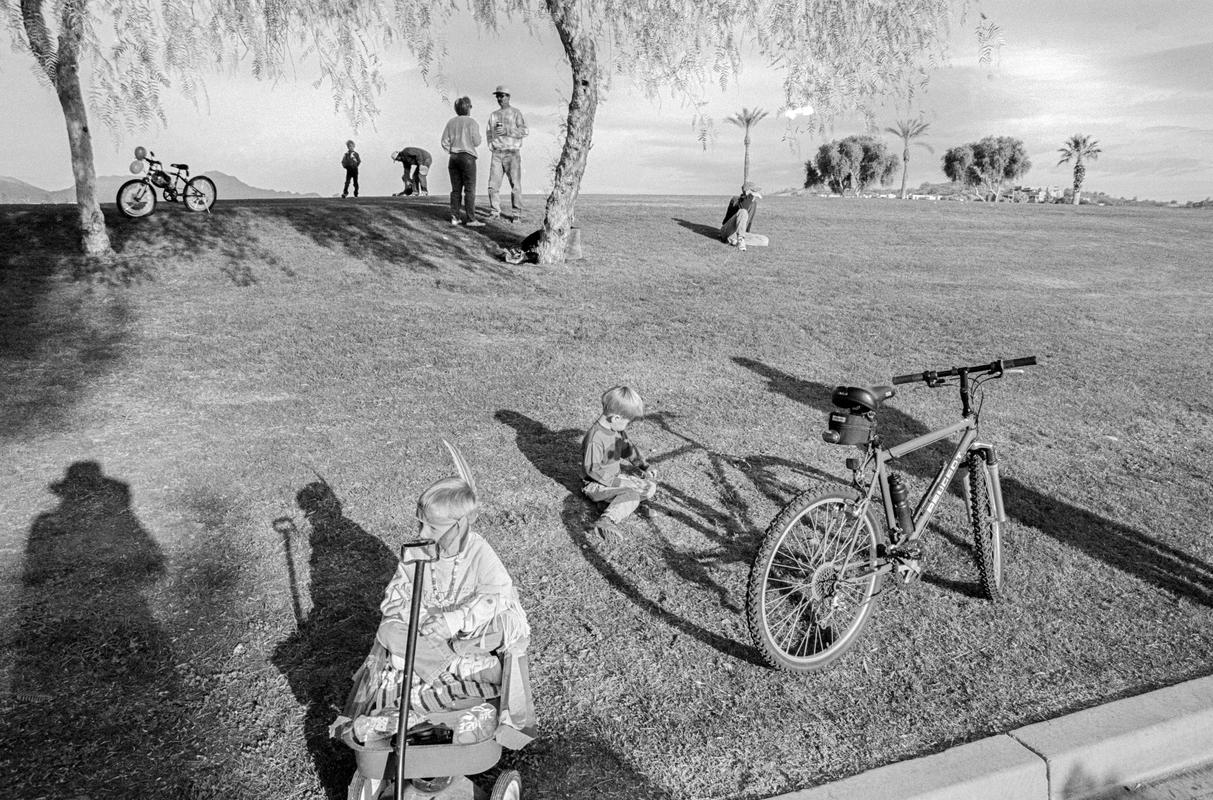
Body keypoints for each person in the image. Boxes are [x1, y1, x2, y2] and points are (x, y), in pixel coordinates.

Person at [331, 442, 535, 799]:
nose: (422, 533)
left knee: (502, 629)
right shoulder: (419, 550)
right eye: (420, 523)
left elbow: (495, 597)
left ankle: (449, 662)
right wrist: (417, 615)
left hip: (469, 632)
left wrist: (455, 621)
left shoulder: (479, 551)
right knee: (388, 629)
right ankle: (448, 666)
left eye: (431, 526)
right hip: (433, 634)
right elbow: (396, 593)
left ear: (457, 526)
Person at [581, 386, 659, 544]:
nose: (628, 426)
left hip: (614, 480)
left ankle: (611, 504)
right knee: (632, 494)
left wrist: (644, 466)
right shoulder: (595, 438)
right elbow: (592, 469)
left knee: (649, 487)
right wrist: (619, 482)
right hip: (595, 485)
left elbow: (629, 450)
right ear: (616, 418)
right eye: (628, 422)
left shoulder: (617, 431)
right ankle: (607, 519)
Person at [486, 85, 529, 220]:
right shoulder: (493, 115)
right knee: (493, 185)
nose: (499, 98)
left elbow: (525, 131)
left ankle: (516, 214)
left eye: (502, 95)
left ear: (508, 97)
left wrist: (508, 131)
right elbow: (488, 132)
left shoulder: (516, 113)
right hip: (497, 153)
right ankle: (494, 212)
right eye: (498, 96)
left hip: (512, 152)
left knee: (515, 185)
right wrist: (491, 145)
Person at [440, 97, 485, 227]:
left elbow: (444, 141)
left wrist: (451, 151)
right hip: (468, 156)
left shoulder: (451, 122)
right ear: (468, 107)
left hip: (453, 157)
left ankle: (455, 217)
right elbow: (476, 142)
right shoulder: (472, 123)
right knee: (469, 189)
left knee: (456, 190)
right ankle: (471, 219)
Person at [721, 182, 766, 250]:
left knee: (765, 241)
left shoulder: (753, 203)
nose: (756, 194)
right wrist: (750, 196)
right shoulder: (735, 199)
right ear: (748, 192)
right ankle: (738, 239)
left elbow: (749, 222)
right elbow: (742, 208)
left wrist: (747, 234)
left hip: (739, 233)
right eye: (754, 191)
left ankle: (738, 239)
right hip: (727, 231)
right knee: (743, 212)